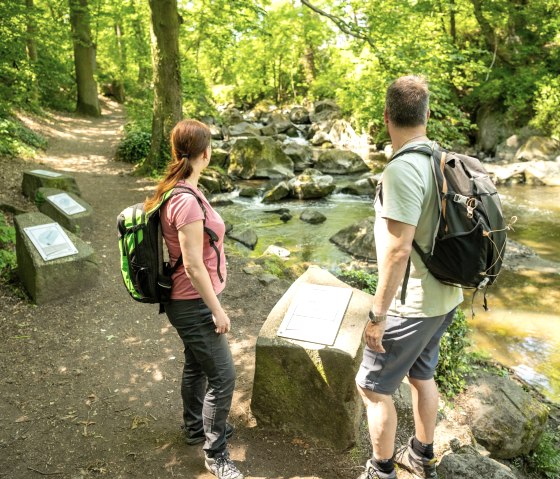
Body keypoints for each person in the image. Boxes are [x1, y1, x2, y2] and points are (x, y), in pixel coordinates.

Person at [356, 76, 463, 479]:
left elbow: (399, 250)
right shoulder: (440, 158)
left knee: (373, 388)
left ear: (386, 117)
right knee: (422, 375)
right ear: (427, 114)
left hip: (413, 303)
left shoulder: (401, 171)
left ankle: (381, 470)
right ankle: (421, 456)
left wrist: (378, 315)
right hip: (445, 294)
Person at [144, 119, 243, 479]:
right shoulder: (185, 201)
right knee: (224, 377)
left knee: (197, 365)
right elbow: (193, 265)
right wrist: (217, 310)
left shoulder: (181, 189)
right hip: (192, 302)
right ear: (206, 153)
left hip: (189, 299)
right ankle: (215, 454)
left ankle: (194, 427)